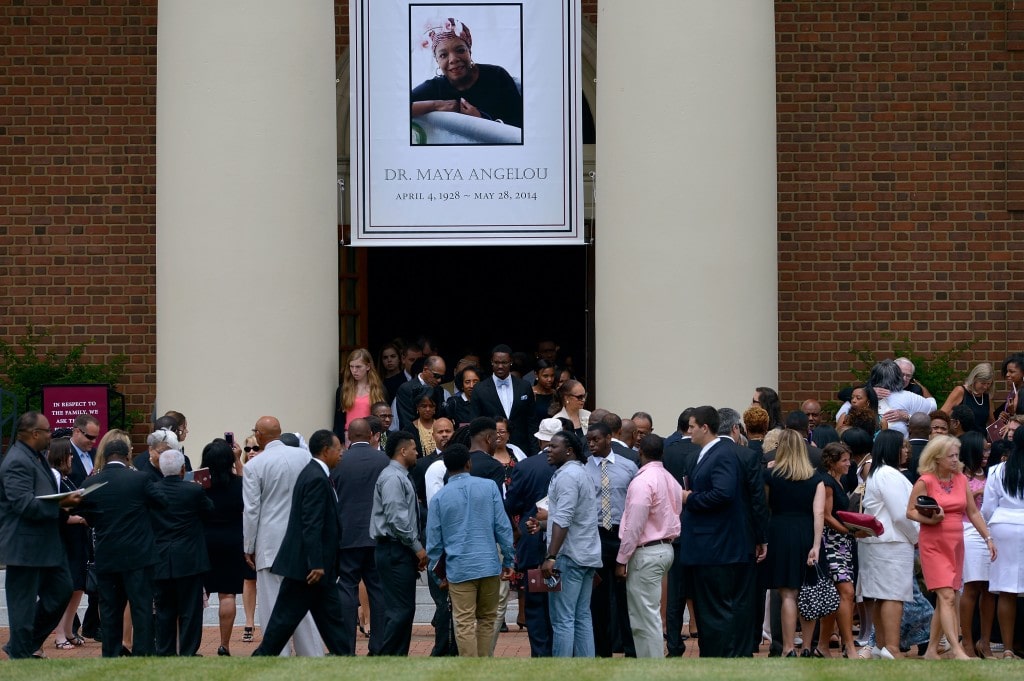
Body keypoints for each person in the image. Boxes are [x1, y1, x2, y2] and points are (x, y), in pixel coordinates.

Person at [253, 430, 347, 656]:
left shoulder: (315, 473)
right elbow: (311, 523)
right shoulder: (315, 477)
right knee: (282, 623)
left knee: (330, 619)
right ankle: (262, 657)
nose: (341, 453)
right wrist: (315, 562)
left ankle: (346, 657)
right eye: (338, 448)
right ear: (326, 451)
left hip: (313, 568)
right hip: (307, 569)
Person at [907, 434, 996, 660]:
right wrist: (931, 520)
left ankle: (930, 651)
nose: (956, 460)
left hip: (956, 543)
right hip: (933, 543)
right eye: (951, 456)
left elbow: (973, 512)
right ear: (937, 458)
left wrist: (988, 538)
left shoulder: (960, 480)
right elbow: (910, 512)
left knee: (948, 596)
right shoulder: (925, 481)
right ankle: (956, 648)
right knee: (946, 596)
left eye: (957, 455)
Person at [0, 413, 82, 659]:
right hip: (24, 545)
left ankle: (22, 646)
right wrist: (61, 504)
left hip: (45, 544)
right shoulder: (16, 461)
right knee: (22, 606)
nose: (52, 434)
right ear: (34, 434)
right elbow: (23, 504)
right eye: (47, 430)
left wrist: (64, 504)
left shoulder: (36, 457)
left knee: (62, 590)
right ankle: (21, 652)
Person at [678, 406, 756, 658]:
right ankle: (715, 655)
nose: (688, 431)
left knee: (717, 608)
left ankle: (722, 657)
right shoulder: (703, 454)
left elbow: (723, 493)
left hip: (716, 546)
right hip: (708, 546)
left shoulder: (721, 454)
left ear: (705, 427)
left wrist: (690, 498)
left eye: (691, 426)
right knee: (709, 608)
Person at [242, 416, 323, 657]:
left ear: (258, 435)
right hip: (302, 541)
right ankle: (313, 656)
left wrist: (248, 545)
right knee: (304, 606)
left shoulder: (254, 466)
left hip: (270, 543)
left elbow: (251, 509)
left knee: (272, 606)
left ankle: (278, 656)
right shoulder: (305, 457)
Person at [76, 438, 164, 657]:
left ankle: (111, 652)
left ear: (105, 457)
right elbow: (161, 503)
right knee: (141, 606)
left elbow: (84, 514)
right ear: (127, 457)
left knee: (110, 609)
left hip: (108, 554)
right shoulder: (140, 479)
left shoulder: (90, 484)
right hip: (139, 554)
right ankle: (143, 652)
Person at [426, 444, 515, 657]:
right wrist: (509, 560)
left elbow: (434, 543)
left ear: (446, 468)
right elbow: (502, 527)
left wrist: (437, 574)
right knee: (487, 618)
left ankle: (470, 668)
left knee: (463, 621)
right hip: (488, 564)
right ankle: (483, 665)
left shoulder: (439, 497)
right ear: (469, 463)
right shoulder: (489, 487)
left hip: (459, 567)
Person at [614, 434, 682, 658]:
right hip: (665, 547)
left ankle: (653, 665)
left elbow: (634, 525)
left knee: (644, 613)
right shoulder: (669, 478)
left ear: (640, 451)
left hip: (647, 550)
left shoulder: (643, 481)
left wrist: (622, 559)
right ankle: (649, 662)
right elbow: (678, 506)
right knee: (646, 611)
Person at [759, 429, 825, 658]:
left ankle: (788, 647)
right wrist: (816, 546)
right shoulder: (816, 478)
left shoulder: (770, 475)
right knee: (809, 591)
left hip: (779, 533)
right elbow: (819, 514)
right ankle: (806, 646)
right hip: (806, 533)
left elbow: (764, 507)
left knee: (788, 595)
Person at [537, 430, 601, 657]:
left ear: (569, 450)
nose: (548, 450)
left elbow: (564, 518)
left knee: (563, 619)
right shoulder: (582, 473)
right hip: (587, 554)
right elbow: (576, 517)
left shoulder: (567, 476)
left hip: (569, 556)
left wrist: (551, 556)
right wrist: (543, 526)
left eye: (554, 446)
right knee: (582, 616)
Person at [858, 430, 919, 659]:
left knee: (881, 595)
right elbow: (901, 515)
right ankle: (891, 647)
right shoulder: (889, 475)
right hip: (891, 543)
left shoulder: (878, 473)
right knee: (893, 594)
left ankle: (882, 645)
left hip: (878, 543)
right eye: (902, 447)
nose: (906, 451)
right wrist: (916, 538)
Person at [331, 418, 390, 656]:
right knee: (378, 590)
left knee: (346, 588)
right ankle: (379, 647)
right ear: (371, 435)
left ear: (349, 436)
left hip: (347, 535)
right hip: (377, 535)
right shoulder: (384, 461)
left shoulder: (339, 462)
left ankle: (346, 648)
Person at [150, 448, 214, 656]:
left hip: (160, 557)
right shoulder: (193, 491)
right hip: (189, 558)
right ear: (183, 469)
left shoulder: (152, 490)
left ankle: (165, 650)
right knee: (190, 611)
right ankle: (188, 651)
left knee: (164, 609)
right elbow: (209, 511)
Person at [370, 430, 428, 655]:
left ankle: (397, 658)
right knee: (400, 610)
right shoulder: (393, 478)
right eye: (414, 449)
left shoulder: (399, 475)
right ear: (403, 451)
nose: (417, 453)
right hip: (395, 549)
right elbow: (397, 519)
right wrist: (417, 548)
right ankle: (387, 658)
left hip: (397, 549)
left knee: (403, 608)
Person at [584, 421, 638, 657]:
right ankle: (601, 651)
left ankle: (631, 649)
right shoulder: (583, 468)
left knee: (626, 596)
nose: (592, 444)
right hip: (594, 534)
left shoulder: (628, 466)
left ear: (608, 439)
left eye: (596, 439)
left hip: (620, 534)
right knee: (598, 597)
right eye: (589, 440)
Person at [411, 17, 523, 130]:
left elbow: (520, 126)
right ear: (437, 61)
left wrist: (482, 119)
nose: (453, 59)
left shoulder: (497, 76)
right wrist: (438, 105)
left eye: (460, 50)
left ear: (469, 51)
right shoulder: (434, 88)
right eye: (443, 55)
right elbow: (398, 110)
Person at [505, 420, 558, 657]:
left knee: (535, 604)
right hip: (562, 543)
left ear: (540, 440)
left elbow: (511, 503)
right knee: (560, 603)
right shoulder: (574, 466)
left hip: (533, 540)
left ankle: (540, 653)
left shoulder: (526, 466)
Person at [981, 426, 1024, 659]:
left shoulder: (998, 470)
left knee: (1006, 590)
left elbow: (988, 507)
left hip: (1004, 525)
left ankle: (1007, 648)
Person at [200, 438, 245, 656]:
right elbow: (248, 489)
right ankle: (224, 644)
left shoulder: (199, 486)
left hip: (204, 541)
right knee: (228, 595)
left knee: (197, 596)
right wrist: (238, 460)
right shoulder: (238, 484)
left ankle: (190, 643)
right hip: (232, 541)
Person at [816, 442, 861, 659]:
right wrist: (848, 531)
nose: (849, 464)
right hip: (831, 543)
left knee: (837, 596)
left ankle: (823, 646)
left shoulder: (838, 481)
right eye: (844, 460)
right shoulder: (827, 483)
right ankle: (849, 646)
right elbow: (826, 515)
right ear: (832, 462)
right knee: (846, 592)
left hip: (841, 543)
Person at [47, 438, 90, 650]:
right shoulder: (54, 476)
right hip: (65, 539)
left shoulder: (67, 477)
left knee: (78, 586)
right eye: (69, 454)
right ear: (60, 456)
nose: (72, 458)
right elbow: (55, 510)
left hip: (76, 539)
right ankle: (60, 634)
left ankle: (70, 630)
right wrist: (78, 518)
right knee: (67, 587)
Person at [955, 432, 996, 658]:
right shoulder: (959, 475)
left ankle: (986, 642)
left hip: (989, 529)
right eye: (983, 450)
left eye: (988, 450)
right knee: (971, 586)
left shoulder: (991, 474)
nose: (987, 455)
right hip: (967, 530)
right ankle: (967, 641)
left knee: (990, 589)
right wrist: (977, 492)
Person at [471, 345, 538, 455]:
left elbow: (532, 422)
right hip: (491, 449)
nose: (500, 366)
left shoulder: (524, 386)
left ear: (511, 362)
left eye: (504, 362)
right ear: (491, 362)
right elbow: (476, 424)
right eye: (496, 362)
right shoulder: (479, 389)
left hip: (522, 448)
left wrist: (534, 452)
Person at [869, 359, 937, 436]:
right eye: (902, 374)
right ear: (897, 377)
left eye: (908, 376)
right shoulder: (909, 397)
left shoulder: (864, 395)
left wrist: (907, 417)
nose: (904, 379)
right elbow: (933, 406)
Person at [334, 347, 387, 442]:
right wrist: (340, 441)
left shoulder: (379, 389)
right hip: (349, 436)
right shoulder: (343, 389)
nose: (354, 370)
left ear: (368, 366)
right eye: (351, 366)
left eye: (358, 367)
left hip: (371, 436)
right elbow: (338, 420)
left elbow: (384, 417)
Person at [393, 354, 449, 431]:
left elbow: (439, 416)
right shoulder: (406, 388)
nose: (439, 380)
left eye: (442, 377)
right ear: (425, 370)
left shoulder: (439, 390)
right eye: (436, 376)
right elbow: (406, 420)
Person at [939, 363, 995, 437]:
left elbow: (992, 422)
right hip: (961, 441)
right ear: (974, 379)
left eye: (988, 384)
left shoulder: (987, 397)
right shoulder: (960, 391)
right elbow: (942, 415)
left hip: (980, 442)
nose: (985, 387)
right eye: (983, 383)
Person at [444, 364, 481, 428]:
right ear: (462, 385)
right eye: (467, 382)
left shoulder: (486, 402)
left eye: (475, 381)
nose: (471, 386)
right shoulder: (453, 403)